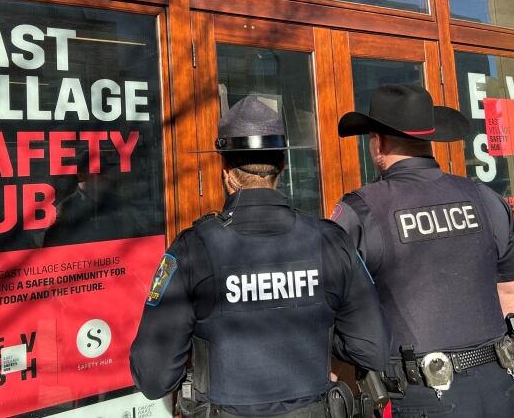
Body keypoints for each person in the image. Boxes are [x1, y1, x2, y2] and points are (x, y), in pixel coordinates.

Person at [130, 96, 390, 418]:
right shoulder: (330, 241)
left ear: (226, 170)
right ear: (282, 165)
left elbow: (153, 378)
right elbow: (373, 350)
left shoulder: (192, 250)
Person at [331, 84, 514, 418]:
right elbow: (512, 293)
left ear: (379, 143)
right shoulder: (485, 198)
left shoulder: (359, 212)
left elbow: (333, 307)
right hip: (499, 386)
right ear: (428, 139)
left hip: (419, 396)